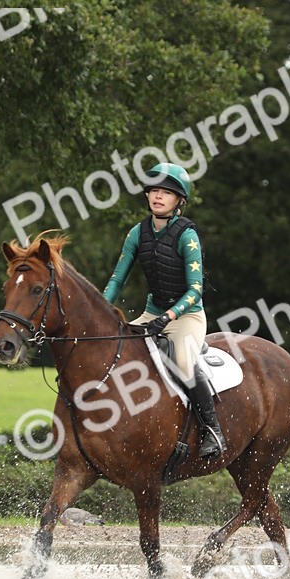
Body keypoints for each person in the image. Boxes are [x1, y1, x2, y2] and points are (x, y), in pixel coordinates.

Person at [103, 162, 226, 458]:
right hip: (152, 312)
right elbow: (118, 278)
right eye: (154, 191)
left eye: (166, 192)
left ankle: (212, 430)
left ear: (179, 200)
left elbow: (195, 289)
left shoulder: (187, 236)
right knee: (115, 351)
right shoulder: (137, 233)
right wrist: (101, 311)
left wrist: (168, 318)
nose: (158, 196)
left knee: (183, 360)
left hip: (186, 316)